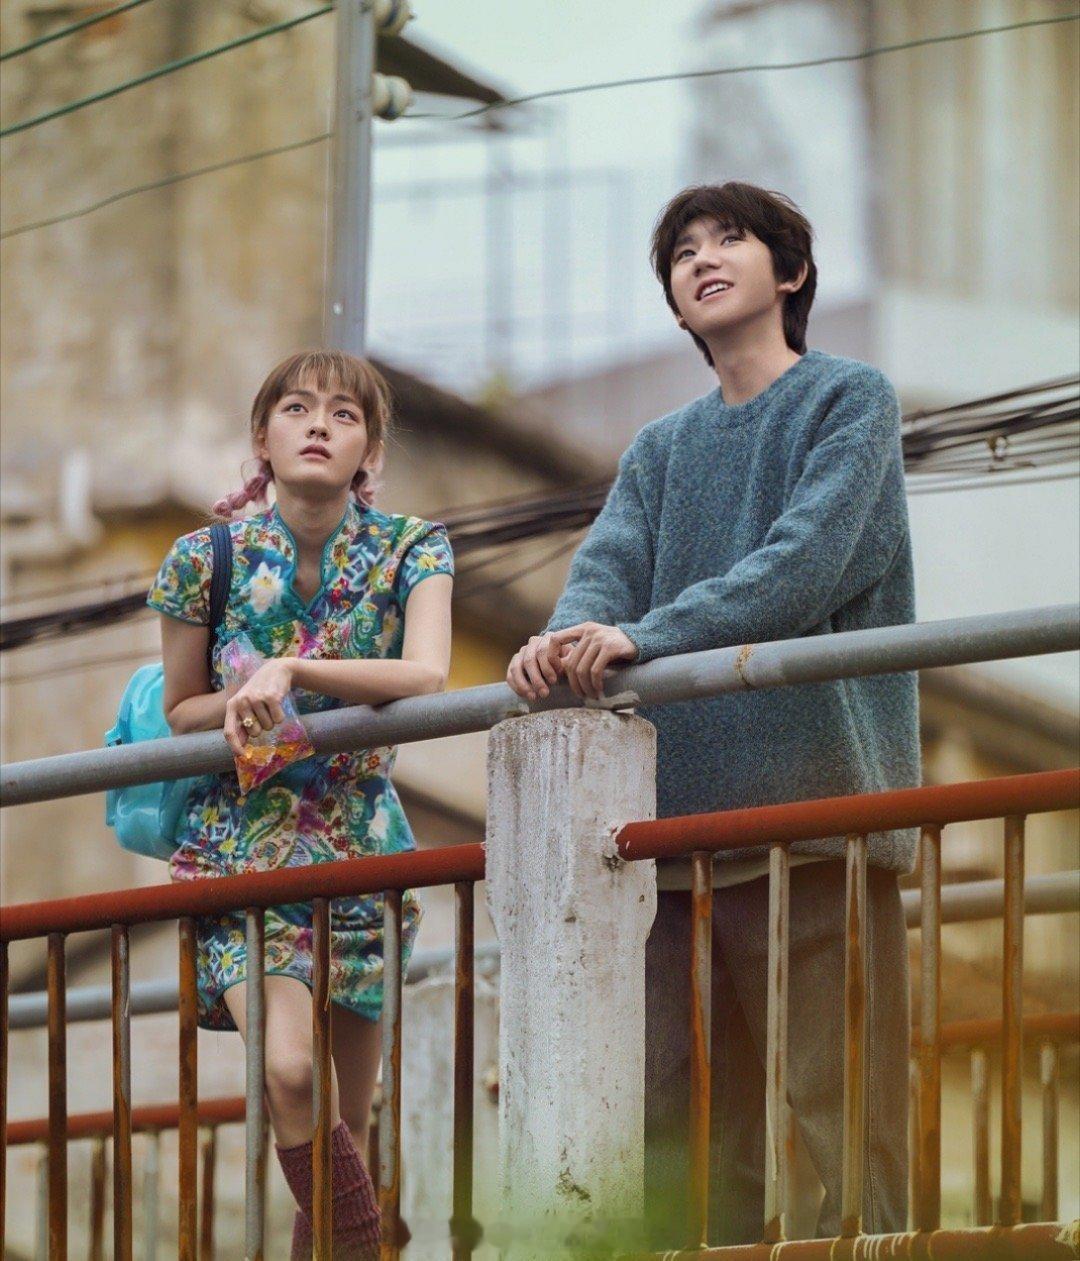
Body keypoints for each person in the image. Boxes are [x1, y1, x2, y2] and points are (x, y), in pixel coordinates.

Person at [506, 183, 918, 1246]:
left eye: (730, 239)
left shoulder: (849, 400)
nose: (703, 259)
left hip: (817, 818)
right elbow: (604, 574)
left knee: (841, 1113)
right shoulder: (661, 448)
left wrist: (645, 635)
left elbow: (805, 565)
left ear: (793, 272)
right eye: (683, 252)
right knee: (683, 1130)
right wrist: (558, 643)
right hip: (676, 839)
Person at [148, 349, 454, 1259]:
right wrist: (242, 702)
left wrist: (291, 668)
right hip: (241, 846)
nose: (319, 423)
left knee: (342, 1128)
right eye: (296, 407)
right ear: (262, 436)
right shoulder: (202, 558)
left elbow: (427, 673)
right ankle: (368, 1244)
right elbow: (180, 708)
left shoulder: (413, 546)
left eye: (344, 414)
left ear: (370, 451)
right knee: (288, 1074)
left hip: (363, 847)